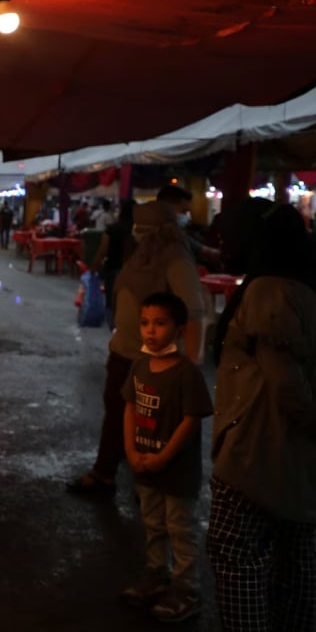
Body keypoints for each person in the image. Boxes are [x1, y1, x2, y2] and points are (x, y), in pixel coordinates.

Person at [208, 198, 316, 632]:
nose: (226, 243)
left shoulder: (267, 291)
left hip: (257, 454)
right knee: (295, 556)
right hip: (307, 461)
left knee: (237, 556)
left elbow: (286, 383)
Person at [67, 200, 206, 496]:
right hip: (125, 352)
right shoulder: (142, 254)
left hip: (155, 360)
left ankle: (150, 482)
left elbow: (194, 313)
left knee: (152, 424)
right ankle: (109, 474)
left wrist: (190, 363)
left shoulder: (176, 259)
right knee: (119, 414)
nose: (138, 233)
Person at [119, 291, 213, 622]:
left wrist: (161, 458)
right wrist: (131, 450)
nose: (150, 331)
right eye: (145, 323)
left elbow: (191, 421)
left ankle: (187, 589)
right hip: (144, 464)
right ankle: (157, 575)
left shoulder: (187, 373)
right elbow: (130, 407)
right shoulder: (140, 365)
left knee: (181, 528)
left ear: (179, 329)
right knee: (153, 524)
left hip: (177, 471)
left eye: (160, 324)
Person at [90, 198, 135, 329]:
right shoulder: (139, 231)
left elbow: (103, 250)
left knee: (112, 302)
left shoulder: (113, 229)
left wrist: (93, 267)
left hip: (113, 269)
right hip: (134, 272)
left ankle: (115, 329)